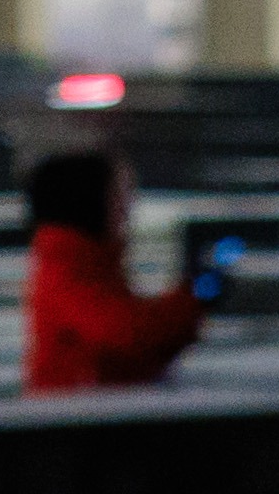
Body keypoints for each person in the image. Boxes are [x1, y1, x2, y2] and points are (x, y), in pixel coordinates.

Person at [20, 144, 205, 391]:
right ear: (90, 200)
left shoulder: (87, 267)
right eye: (119, 195)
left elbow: (138, 351)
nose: (128, 210)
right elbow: (126, 336)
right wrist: (192, 299)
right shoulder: (68, 272)